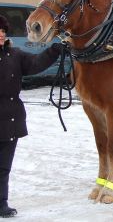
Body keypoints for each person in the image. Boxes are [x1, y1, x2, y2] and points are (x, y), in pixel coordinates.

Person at [0, 14, 63, 218]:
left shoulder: (15, 55)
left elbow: (35, 63)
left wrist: (55, 51)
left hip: (10, 118)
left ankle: (1, 203)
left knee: (3, 167)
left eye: (3, 31)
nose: (1, 35)